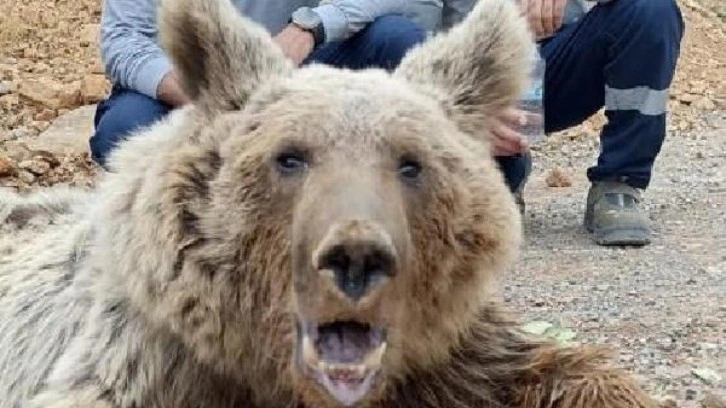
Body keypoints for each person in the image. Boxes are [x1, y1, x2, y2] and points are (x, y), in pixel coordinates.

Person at [90, 0, 440, 168]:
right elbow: (122, 38)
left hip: (293, 71)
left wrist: (313, 26)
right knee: (123, 131)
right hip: (188, 87)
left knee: (395, 37)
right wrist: (200, 90)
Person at [446, 0, 685, 247]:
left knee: (650, 9)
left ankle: (619, 182)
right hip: (466, 78)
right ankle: (498, 173)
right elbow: (413, 24)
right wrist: (456, 105)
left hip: (561, 59)